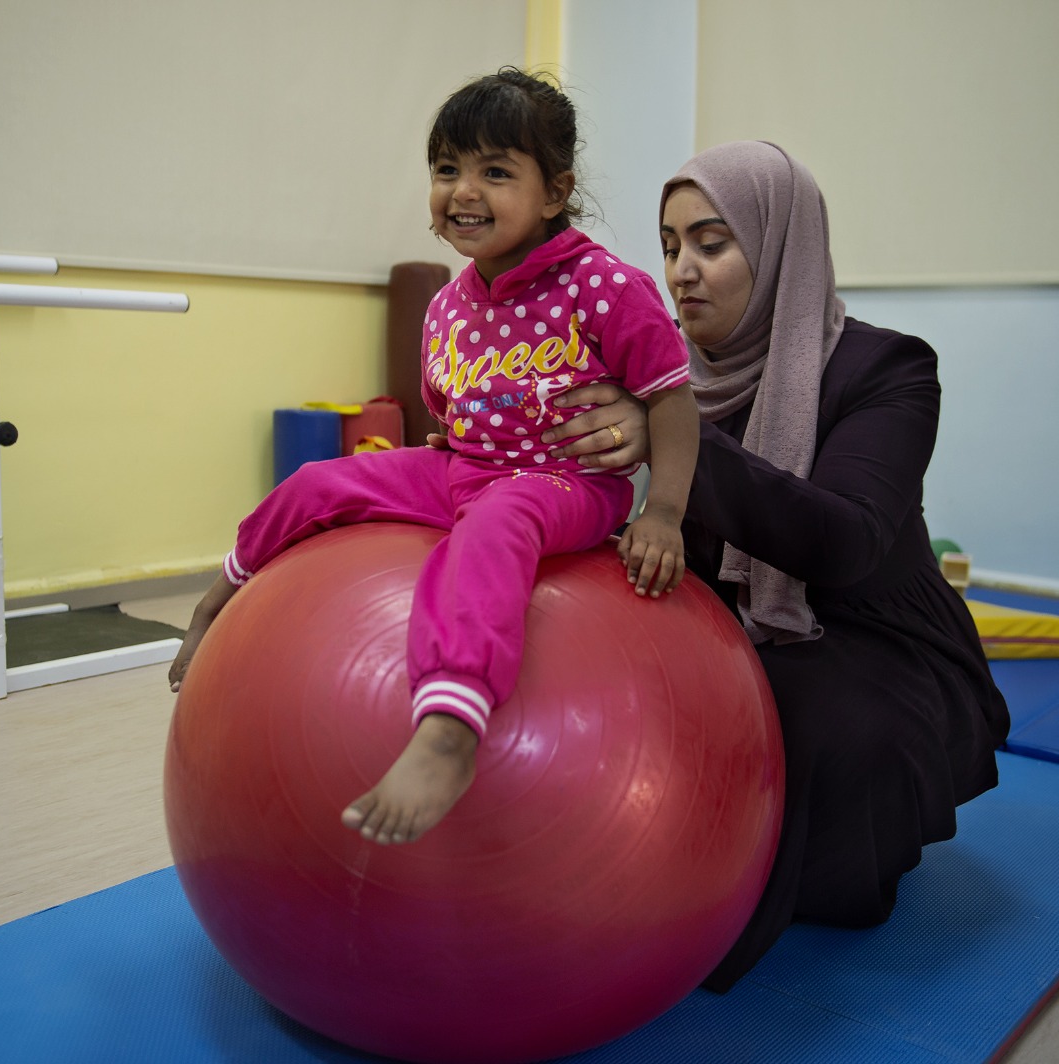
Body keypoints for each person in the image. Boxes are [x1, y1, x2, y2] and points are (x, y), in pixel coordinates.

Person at [166, 69, 700, 847]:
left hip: (568, 484)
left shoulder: (606, 287)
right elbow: (448, 414)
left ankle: (451, 725)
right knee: (318, 482)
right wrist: (445, 448)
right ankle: (218, 601)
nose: (463, 191)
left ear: (554, 193)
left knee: (497, 521)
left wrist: (664, 512)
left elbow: (671, 401)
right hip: (465, 468)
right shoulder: (448, 304)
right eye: (447, 168)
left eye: (496, 172)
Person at [543, 141, 1011, 990]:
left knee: (811, 733)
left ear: (781, 245)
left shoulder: (889, 368)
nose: (682, 271)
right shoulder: (656, 371)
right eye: (670, 245)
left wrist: (674, 432)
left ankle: (729, 902)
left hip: (867, 635)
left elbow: (846, 540)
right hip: (716, 622)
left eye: (712, 242)